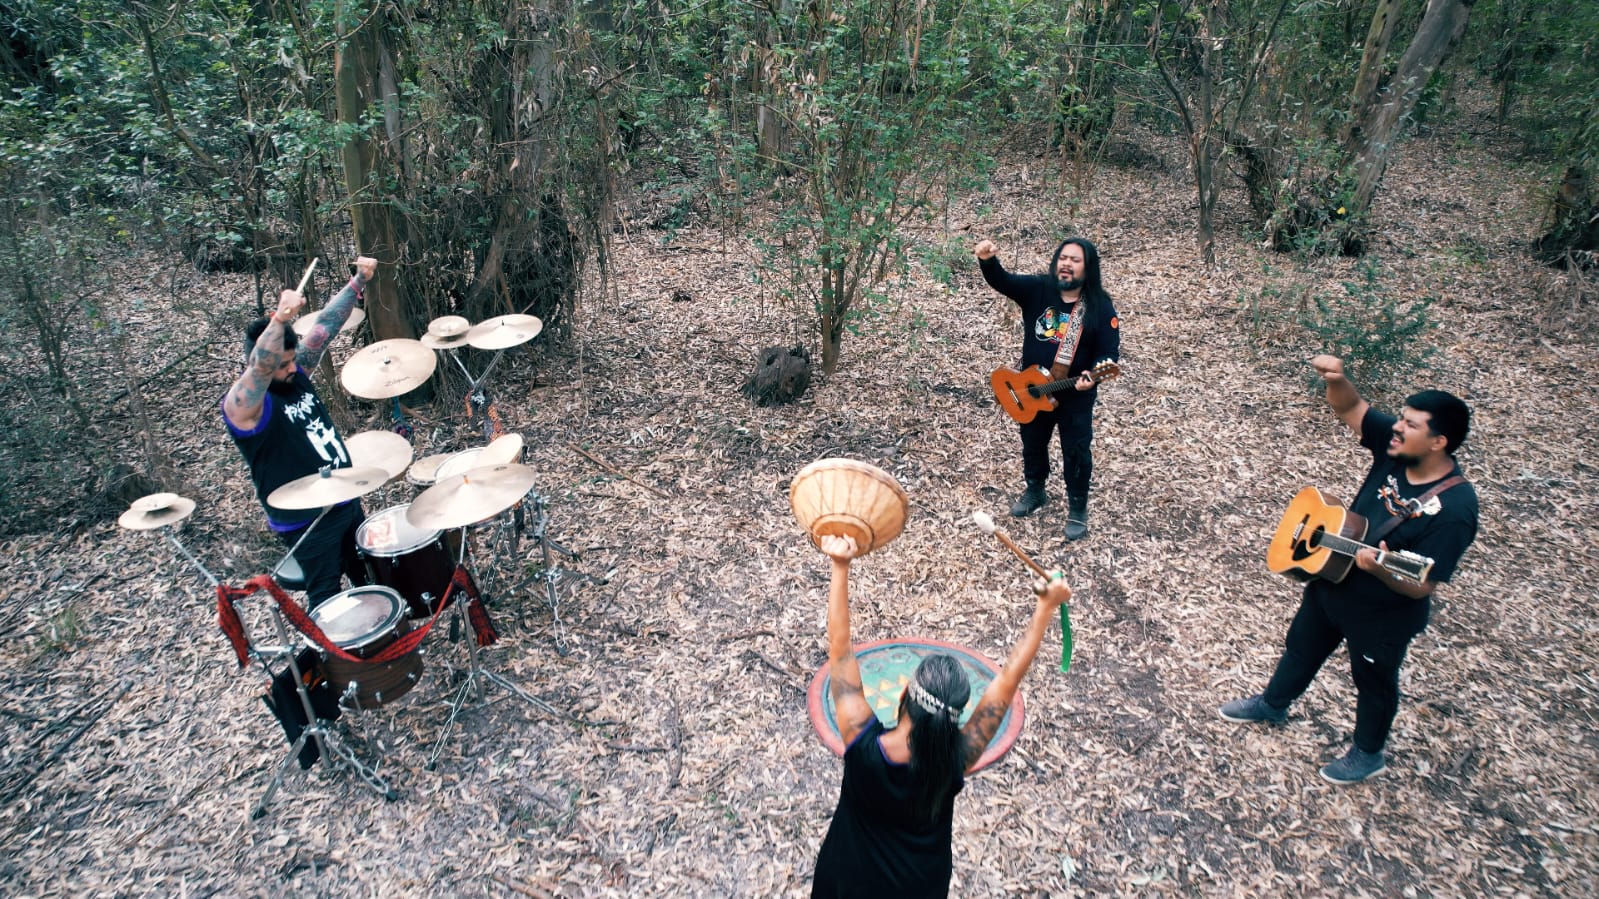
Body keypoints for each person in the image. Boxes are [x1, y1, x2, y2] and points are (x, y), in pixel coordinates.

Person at [1219, 355, 1479, 784]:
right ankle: (1273, 704)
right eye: (1402, 418)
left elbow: (1424, 585)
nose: (1397, 427)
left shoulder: (1454, 510)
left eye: (1412, 425)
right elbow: (1350, 408)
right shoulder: (1397, 452)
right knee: (1302, 646)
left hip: (1383, 613)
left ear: (1439, 442)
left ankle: (1368, 753)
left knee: (1373, 680)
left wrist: (1379, 569)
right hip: (1332, 578)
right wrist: (1338, 380)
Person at [811, 533, 1071, 897]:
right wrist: (1044, 610)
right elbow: (1006, 682)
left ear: (904, 695)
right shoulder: (955, 759)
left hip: (846, 882)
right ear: (955, 719)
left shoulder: (862, 744)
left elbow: (840, 653)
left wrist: (840, 566)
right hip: (921, 886)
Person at [222, 257, 378, 608]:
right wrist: (279, 318)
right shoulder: (244, 408)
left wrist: (359, 281)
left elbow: (324, 326)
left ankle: (380, 651)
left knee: (366, 575)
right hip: (306, 520)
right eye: (282, 364)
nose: (292, 368)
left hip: (342, 496)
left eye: (292, 360)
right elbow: (262, 366)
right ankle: (341, 662)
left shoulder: (295, 373)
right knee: (327, 598)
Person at [975, 236, 1120, 540]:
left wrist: (1093, 375)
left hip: (1074, 395)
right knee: (1032, 440)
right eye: (1063, 258)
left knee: (1076, 450)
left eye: (1075, 260)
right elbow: (1003, 281)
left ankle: (1078, 509)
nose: (1067, 264)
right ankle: (1035, 489)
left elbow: (1108, 354)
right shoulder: (1039, 289)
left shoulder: (1099, 307)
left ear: (1087, 268)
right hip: (1032, 388)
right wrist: (987, 261)